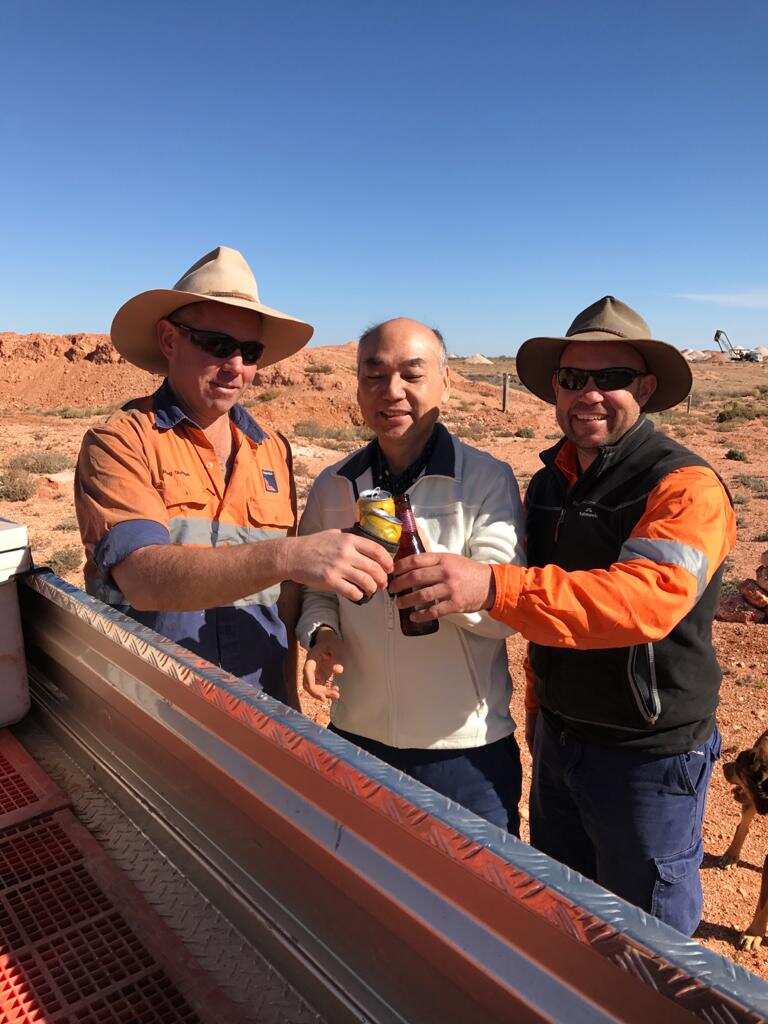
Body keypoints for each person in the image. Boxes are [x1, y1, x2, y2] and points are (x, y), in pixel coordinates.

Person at [391, 296, 736, 935]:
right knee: (567, 914)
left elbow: (644, 601)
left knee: (648, 937)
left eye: (612, 379)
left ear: (648, 388)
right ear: (555, 387)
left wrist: (491, 586)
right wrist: (538, 718)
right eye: (575, 379)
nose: (591, 395)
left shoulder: (683, 486)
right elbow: (552, 617)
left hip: (647, 755)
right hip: (560, 741)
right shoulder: (552, 483)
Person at [75, 246, 392, 706]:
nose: (236, 367)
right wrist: (288, 554)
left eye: (249, 351)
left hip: (264, 707)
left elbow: (285, 598)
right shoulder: (122, 441)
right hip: (155, 707)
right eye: (218, 345)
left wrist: (317, 638)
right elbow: (142, 578)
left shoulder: (271, 451)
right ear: (168, 340)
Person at [296, 317, 525, 832]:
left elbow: (505, 613)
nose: (392, 392)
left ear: (445, 382)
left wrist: (453, 588)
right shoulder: (333, 486)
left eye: (412, 375)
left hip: (464, 750)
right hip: (357, 732)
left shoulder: (487, 480)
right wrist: (321, 633)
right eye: (374, 376)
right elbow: (316, 591)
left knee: (474, 901)